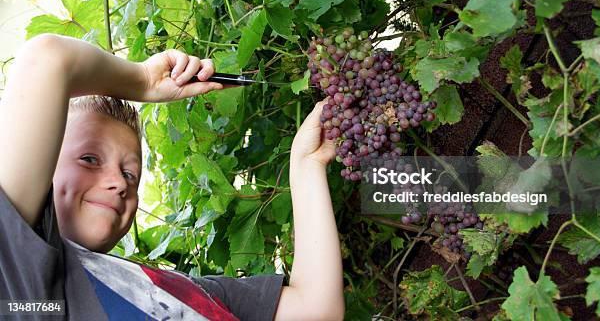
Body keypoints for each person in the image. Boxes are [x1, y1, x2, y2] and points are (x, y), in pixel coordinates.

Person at [0, 33, 345, 320]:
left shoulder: (186, 291)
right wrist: (143, 81)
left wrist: (307, 164)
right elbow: (47, 60)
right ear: (42, 165)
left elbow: (316, 311)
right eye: (89, 159)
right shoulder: (20, 285)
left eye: (130, 174)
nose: (119, 183)